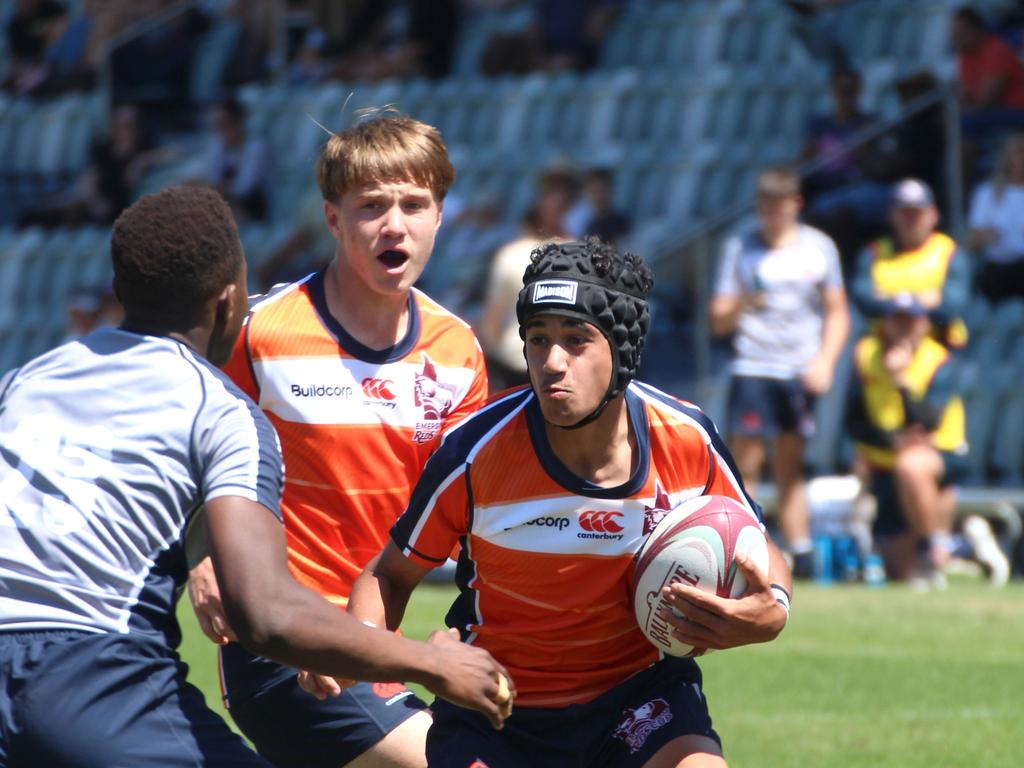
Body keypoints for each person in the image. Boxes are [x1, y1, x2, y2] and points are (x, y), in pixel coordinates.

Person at [0, 186, 511, 767]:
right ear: (228, 302)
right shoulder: (219, 408)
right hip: (90, 673)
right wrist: (433, 662)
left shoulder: (27, 380)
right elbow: (265, 614)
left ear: (119, 291)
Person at [346, 238, 793, 768]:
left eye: (576, 340)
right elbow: (390, 575)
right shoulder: (476, 453)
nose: (552, 362)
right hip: (496, 707)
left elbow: (756, 545)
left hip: (640, 700)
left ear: (622, 348)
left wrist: (773, 608)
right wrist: (358, 653)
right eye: (538, 340)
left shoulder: (687, 437)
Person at [187, 112, 491, 768]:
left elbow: (463, 515)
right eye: (371, 206)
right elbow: (182, 451)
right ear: (332, 219)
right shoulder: (261, 334)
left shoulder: (458, 352)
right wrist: (200, 552)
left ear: (439, 216)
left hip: (379, 648)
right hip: (284, 648)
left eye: (414, 205)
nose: (394, 224)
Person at [710, 167, 850, 578]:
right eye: (765, 207)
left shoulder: (818, 248)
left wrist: (825, 360)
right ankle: (746, 547)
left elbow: (837, 310)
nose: (772, 215)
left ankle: (800, 549)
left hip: (797, 369)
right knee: (747, 462)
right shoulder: (741, 247)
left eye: (779, 207)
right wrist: (743, 303)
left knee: (791, 464)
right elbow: (717, 318)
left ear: (795, 205)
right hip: (753, 365)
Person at [845, 294, 968, 585]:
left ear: (923, 325)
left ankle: (935, 544)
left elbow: (927, 422)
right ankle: (943, 547)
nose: (902, 328)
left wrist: (901, 381)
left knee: (911, 466)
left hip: (940, 453)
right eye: (896, 320)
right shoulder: (866, 355)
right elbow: (853, 420)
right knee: (901, 573)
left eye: (909, 321)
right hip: (884, 459)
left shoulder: (939, 359)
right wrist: (891, 440)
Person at [478, 168, 575, 391]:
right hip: (517, 362)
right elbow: (493, 316)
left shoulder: (579, 253)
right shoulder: (512, 254)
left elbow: (492, 319)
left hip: (542, 362)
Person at [851, 178, 971, 349]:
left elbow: (951, 307)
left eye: (916, 213)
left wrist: (889, 297)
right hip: (884, 350)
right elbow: (864, 301)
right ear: (892, 215)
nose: (910, 220)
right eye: (904, 213)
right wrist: (921, 299)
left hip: (939, 350)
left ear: (933, 215)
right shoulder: (873, 252)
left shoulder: (949, 252)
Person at [967, 130, 1024, 303]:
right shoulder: (986, 193)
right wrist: (986, 236)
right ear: (1006, 157)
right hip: (997, 269)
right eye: (1018, 152)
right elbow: (972, 242)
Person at [204, 98, 270, 222]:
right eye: (216, 125)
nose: (220, 131)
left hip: (251, 208)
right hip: (225, 201)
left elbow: (244, 187)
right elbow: (213, 176)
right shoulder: (218, 145)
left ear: (237, 122)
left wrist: (218, 188)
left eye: (224, 124)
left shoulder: (256, 147)